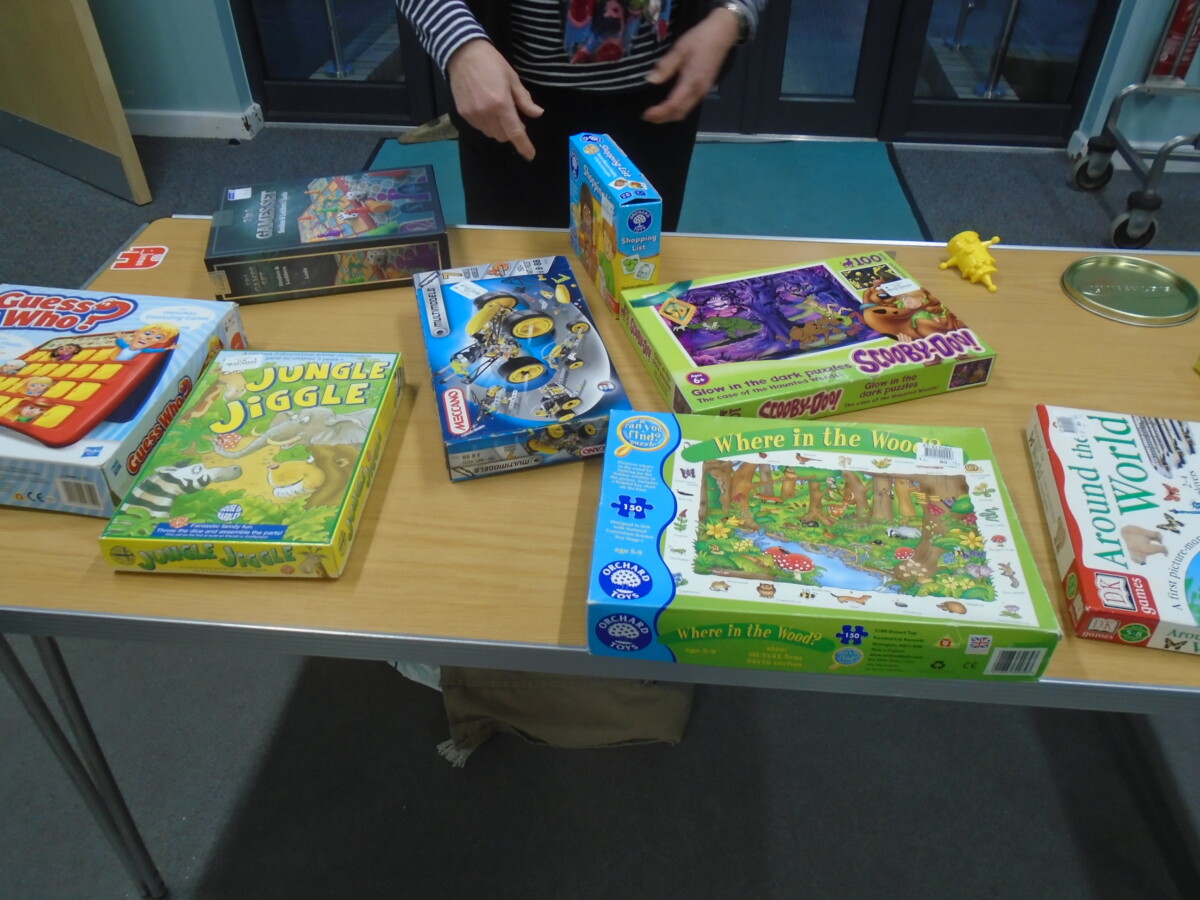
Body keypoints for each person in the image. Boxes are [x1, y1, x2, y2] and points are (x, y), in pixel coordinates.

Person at [396, 0, 767, 230]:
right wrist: (458, 42)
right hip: (513, 102)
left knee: (637, 275)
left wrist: (733, 12)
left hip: (659, 102)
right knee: (514, 281)